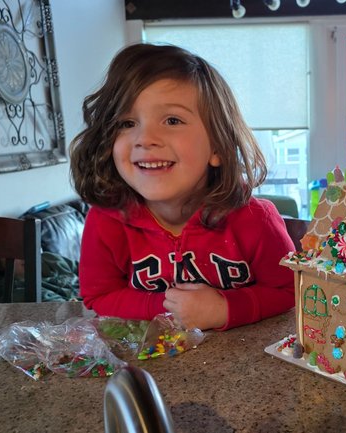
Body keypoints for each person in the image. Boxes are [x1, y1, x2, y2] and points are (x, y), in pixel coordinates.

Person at [70, 43, 296, 331]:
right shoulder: (106, 220)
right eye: (127, 123)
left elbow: (289, 291)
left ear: (217, 147)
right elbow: (98, 296)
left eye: (172, 120)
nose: (145, 138)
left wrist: (224, 309)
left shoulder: (255, 220)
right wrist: (169, 308)